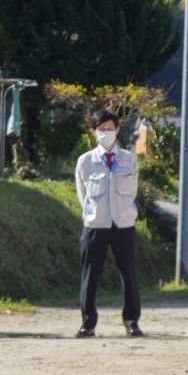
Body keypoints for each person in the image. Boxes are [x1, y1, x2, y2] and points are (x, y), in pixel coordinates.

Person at [74, 108, 142, 338]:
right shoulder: (85, 161)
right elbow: (82, 194)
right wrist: (93, 214)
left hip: (123, 224)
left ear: (117, 130)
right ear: (93, 132)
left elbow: (132, 190)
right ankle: (88, 323)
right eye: (101, 130)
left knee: (129, 274)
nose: (106, 134)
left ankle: (132, 322)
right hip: (96, 225)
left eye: (110, 129)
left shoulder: (129, 159)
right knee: (90, 275)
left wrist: (125, 212)